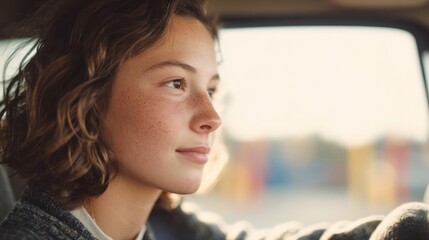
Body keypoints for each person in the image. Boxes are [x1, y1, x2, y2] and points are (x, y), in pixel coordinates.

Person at [1, 0, 429, 239]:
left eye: (211, 89)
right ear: (87, 98)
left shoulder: (166, 226)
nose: (211, 118)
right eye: (175, 83)